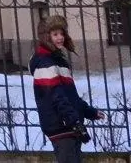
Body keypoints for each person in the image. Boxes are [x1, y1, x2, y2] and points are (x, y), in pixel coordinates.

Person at [31, 13, 101, 161]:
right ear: (46, 36)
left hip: (68, 124)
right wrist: (73, 120)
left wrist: (88, 111)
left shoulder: (58, 61)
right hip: (61, 125)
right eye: (55, 34)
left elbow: (70, 96)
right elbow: (56, 96)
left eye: (62, 33)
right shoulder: (46, 63)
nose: (60, 37)